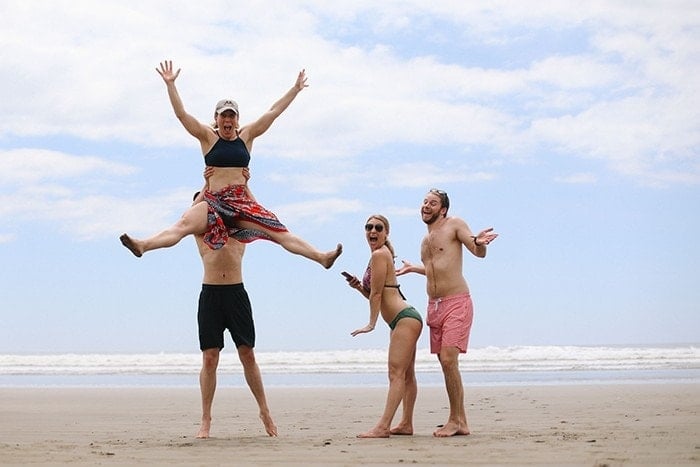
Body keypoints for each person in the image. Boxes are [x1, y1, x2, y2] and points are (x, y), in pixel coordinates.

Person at [120, 60, 342, 269]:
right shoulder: (208, 137)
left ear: (237, 119)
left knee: (279, 232)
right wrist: (171, 85)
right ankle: (143, 245)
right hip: (213, 200)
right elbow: (181, 115)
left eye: (231, 116)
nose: (227, 120)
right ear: (216, 119)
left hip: (241, 201)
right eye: (223, 116)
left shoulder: (246, 136)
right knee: (182, 226)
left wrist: (295, 89)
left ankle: (321, 257)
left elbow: (273, 112)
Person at [396, 189, 498, 437]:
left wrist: (480, 243)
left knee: (450, 359)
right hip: (434, 306)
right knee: (445, 363)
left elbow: (477, 251)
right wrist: (415, 269)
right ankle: (460, 421)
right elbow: (437, 268)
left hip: (456, 302)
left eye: (432, 203)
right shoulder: (425, 240)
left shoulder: (455, 225)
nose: (426, 206)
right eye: (424, 202)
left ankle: (455, 420)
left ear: (443, 209)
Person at [192, 168, 276, 438]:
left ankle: (264, 410)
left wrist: (246, 186)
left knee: (247, 354)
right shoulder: (201, 229)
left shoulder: (238, 227)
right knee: (210, 358)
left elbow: (257, 210)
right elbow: (188, 214)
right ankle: (205, 419)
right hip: (211, 294)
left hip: (236, 293)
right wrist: (206, 183)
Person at [343, 215, 423, 438]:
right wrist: (359, 286)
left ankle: (383, 426)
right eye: (368, 227)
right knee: (406, 374)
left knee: (395, 373)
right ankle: (406, 424)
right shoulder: (379, 255)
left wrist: (371, 323)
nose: (373, 231)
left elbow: (378, 294)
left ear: (386, 232)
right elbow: (374, 294)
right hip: (404, 320)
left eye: (378, 227)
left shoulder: (380, 254)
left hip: (404, 319)